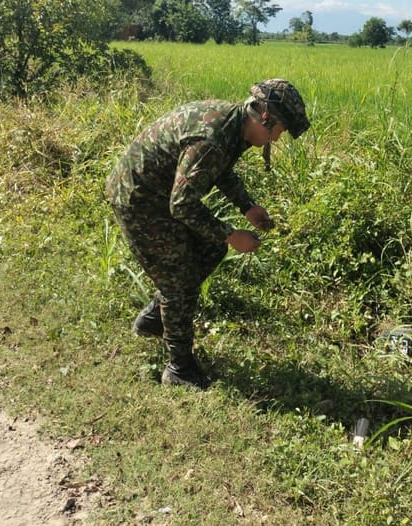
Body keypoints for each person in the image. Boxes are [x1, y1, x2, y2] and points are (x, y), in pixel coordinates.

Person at [105, 79, 310, 389]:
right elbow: (182, 205)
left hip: (160, 194)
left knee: (211, 248)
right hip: (139, 199)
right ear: (266, 118)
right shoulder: (213, 137)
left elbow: (219, 169)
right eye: (279, 131)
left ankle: (154, 319)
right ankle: (179, 368)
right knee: (178, 279)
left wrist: (247, 206)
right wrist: (231, 235)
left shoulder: (233, 122)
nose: (277, 139)